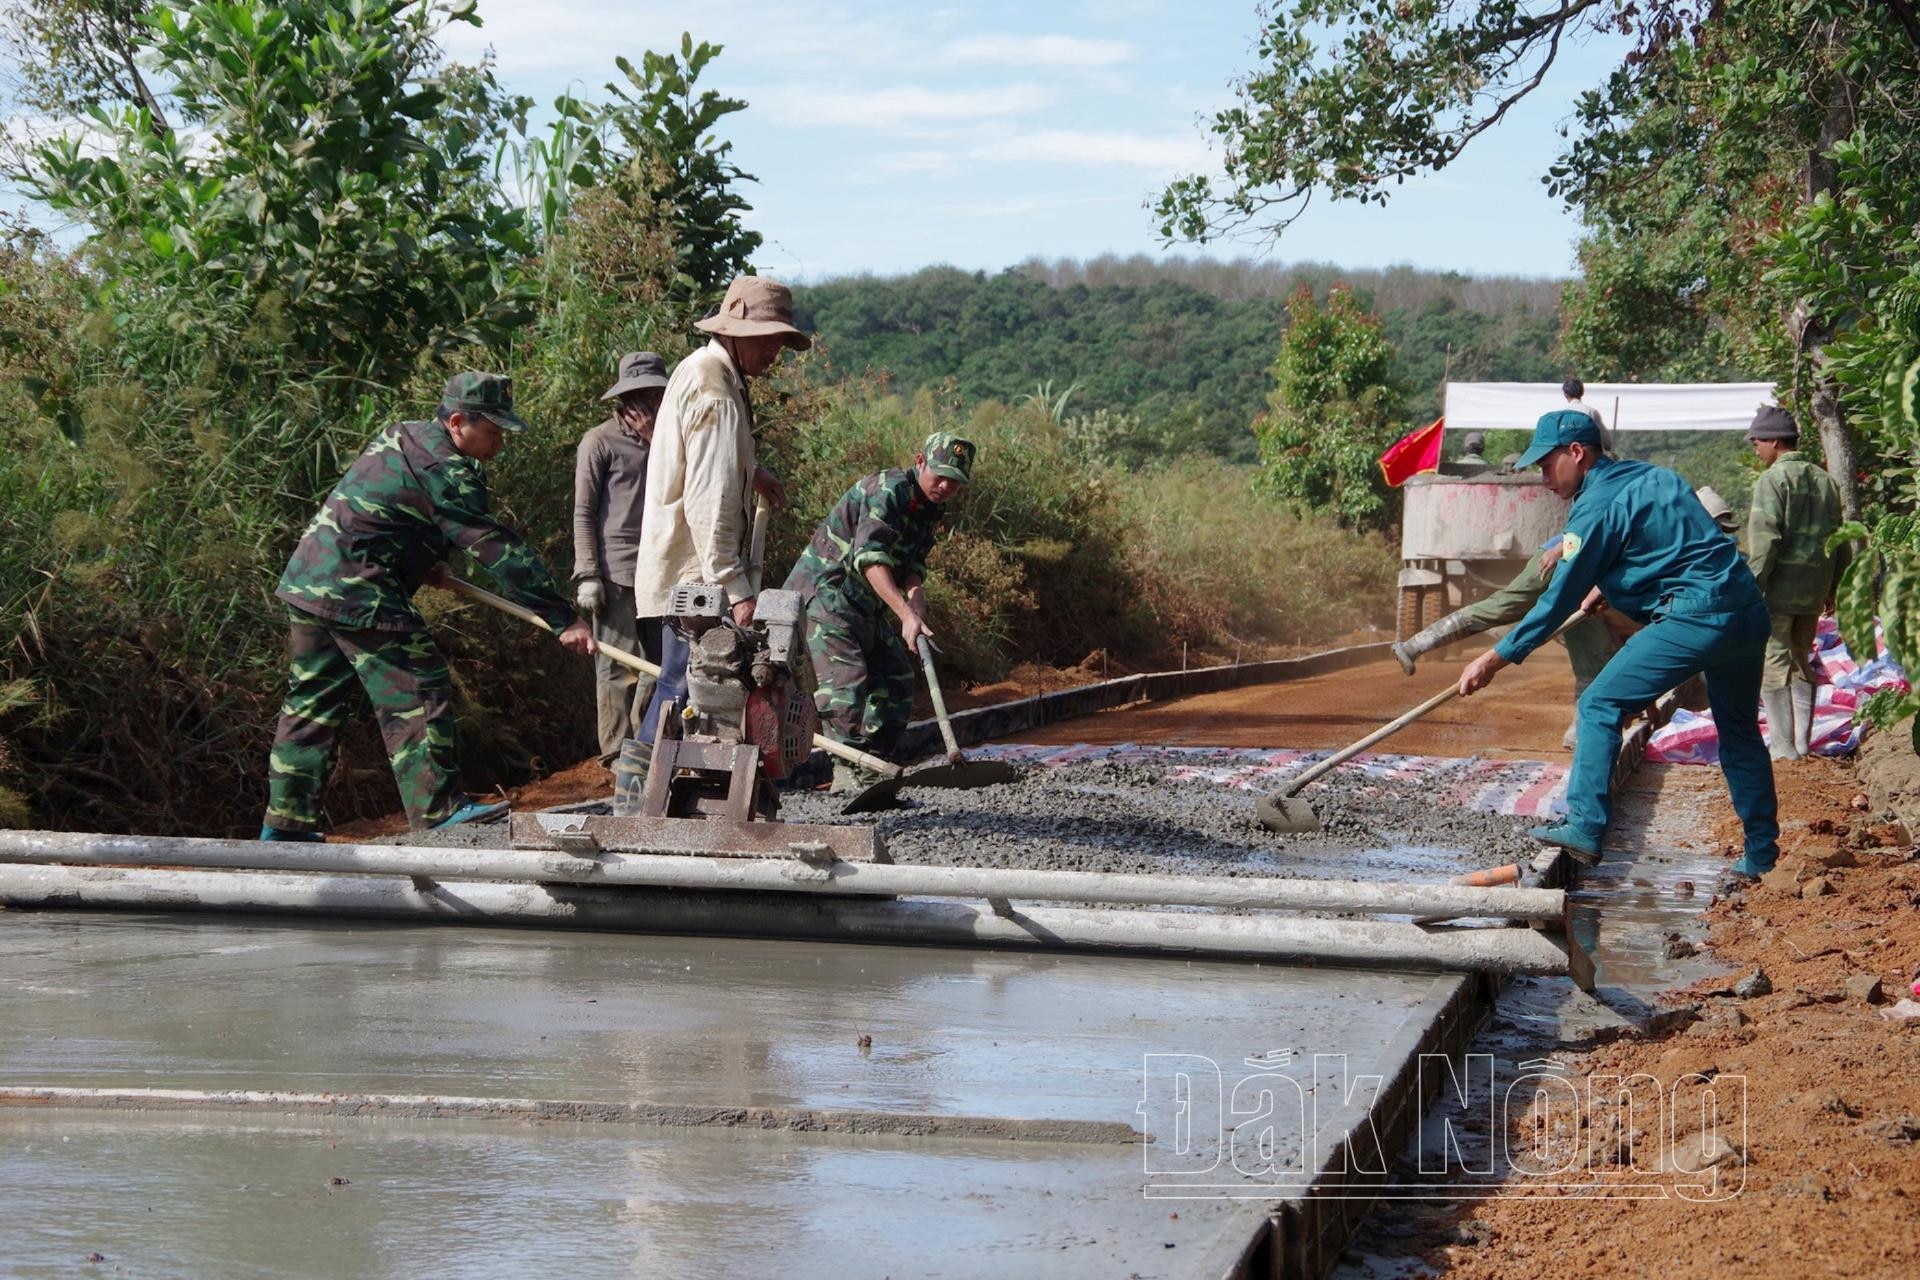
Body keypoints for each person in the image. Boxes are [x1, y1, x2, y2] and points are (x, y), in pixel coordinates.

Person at [264, 372, 595, 840]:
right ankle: (438, 811)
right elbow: (498, 550)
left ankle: (285, 828)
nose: (500, 441)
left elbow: (390, 506)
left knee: (312, 705)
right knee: (419, 685)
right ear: (458, 421)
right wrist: (563, 617)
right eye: (494, 431)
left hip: (310, 579)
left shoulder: (405, 435)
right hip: (357, 588)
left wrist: (425, 560)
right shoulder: (447, 470)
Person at [1456, 410, 1778, 879]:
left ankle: (1585, 827)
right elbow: (1672, 548)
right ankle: (1762, 857)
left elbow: (1556, 600)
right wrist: (1609, 587)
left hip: (1696, 617)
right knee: (1741, 734)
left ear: (1576, 453)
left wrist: (1496, 657)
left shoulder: (1594, 506)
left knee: (1598, 704)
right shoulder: (1657, 477)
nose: (1544, 479)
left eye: (1546, 466)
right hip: (1746, 612)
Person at [632, 276, 798, 750]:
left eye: (780, 342)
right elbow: (710, 500)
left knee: (680, 692)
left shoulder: (703, 370)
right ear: (735, 333)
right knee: (688, 692)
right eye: (767, 339)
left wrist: (753, 472)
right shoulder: (718, 392)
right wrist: (734, 587)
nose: (774, 352)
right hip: (698, 582)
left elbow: (706, 462)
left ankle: (654, 805)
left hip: (682, 572)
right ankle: (636, 802)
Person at [784, 433, 974, 790]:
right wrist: (904, 614)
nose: (946, 486)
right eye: (940, 475)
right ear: (920, 462)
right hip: (827, 595)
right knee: (846, 685)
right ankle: (846, 775)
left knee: (897, 679)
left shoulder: (931, 506)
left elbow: (913, 563)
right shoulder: (888, 491)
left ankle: (873, 767)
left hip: (864, 605)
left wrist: (916, 602)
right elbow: (870, 560)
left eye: (955, 482)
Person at [573, 351, 668, 764]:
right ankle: (616, 756)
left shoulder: (670, 440)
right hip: (616, 573)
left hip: (662, 570)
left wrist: (655, 438)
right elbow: (583, 511)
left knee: (662, 666)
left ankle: (646, 747)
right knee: (616, 670)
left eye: (654, 395)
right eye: (640, 396)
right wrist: (588, 574)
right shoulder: (599, 441)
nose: (648, 404)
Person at [1744, 406, 1848, 762]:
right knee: (1802, 659)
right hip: (1814, 589)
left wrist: (1750, 589)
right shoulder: (1826, 481)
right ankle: (1802, 745)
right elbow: (1841, 540)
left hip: (1778, 591)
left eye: (1757, 442)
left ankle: (1784, 749)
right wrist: (1835, 587)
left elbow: (1764, 543)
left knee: (1774, 659)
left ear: (1774, 441)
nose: (1755, 448)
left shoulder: (1772, 481)